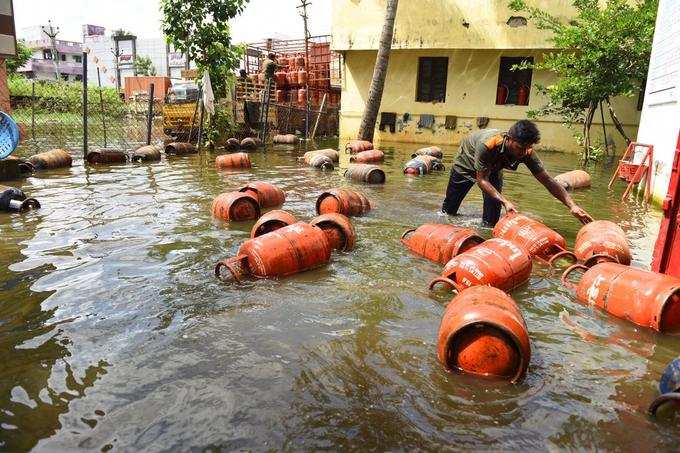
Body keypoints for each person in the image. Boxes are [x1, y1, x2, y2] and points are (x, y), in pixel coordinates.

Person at [441, 120, 593, 226]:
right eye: (520, 147)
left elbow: (547, 180)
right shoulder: (487, 144)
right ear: (508, 139)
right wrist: (505, 201)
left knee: (491, 220)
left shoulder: (526, 151)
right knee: (449, 211)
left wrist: (572, 205)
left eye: (527, 147)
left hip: (493, 167)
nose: (524, 152)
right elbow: (481, 180)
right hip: (465, 163)